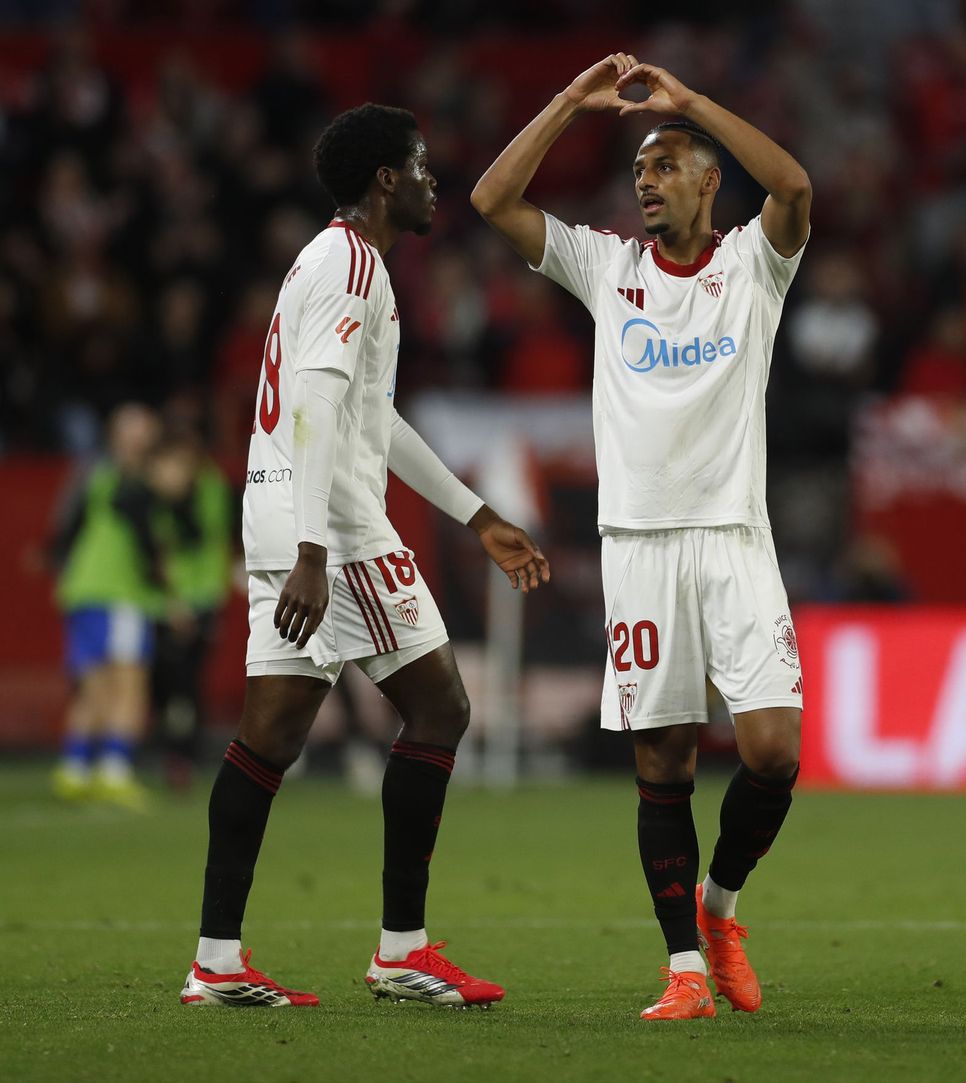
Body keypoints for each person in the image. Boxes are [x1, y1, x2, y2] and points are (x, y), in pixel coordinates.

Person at [179, 103, 550, 1010]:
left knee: (269, 735)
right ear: (385, 179)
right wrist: (315, 547)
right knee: (440, 706)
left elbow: (367, 417)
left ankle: (216, 961)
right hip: (334, 532)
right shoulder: (353, 266)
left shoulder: (327, 260)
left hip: (283, 516)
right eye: (420, 166)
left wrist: (473, 515)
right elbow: (312, 403)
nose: (432, 182)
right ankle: (401, 950)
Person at [472, 53, 810, 1020]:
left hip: (735, 538)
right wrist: (571, 103)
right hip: (640, 546)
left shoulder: (755, 264)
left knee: (772, 750)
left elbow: (793, 183)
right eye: (639, 173)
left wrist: (689, 104)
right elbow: (494, 199)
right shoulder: (606, 267)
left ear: (709, 180)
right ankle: (685, 972)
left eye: (665, 168)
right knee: (662, 762)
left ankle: (721, 909)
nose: (647, 184)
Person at [51, 402, 165, 809]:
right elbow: (143, 539)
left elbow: (64, 528)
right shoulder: (131, 480)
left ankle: (74, 769)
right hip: (120, 592)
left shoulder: (92, 473)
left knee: (94, 685)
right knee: (129, 683)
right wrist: (159, 576)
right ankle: (114, 770)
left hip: (82, 589)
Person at [147, 424, 234, 791]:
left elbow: (200, 535)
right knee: (161, 681)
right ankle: (171, 750)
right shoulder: (154, 496)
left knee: (187, 680)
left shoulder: (211, 488)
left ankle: (183, 756)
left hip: (201, 597)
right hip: (164, 599)